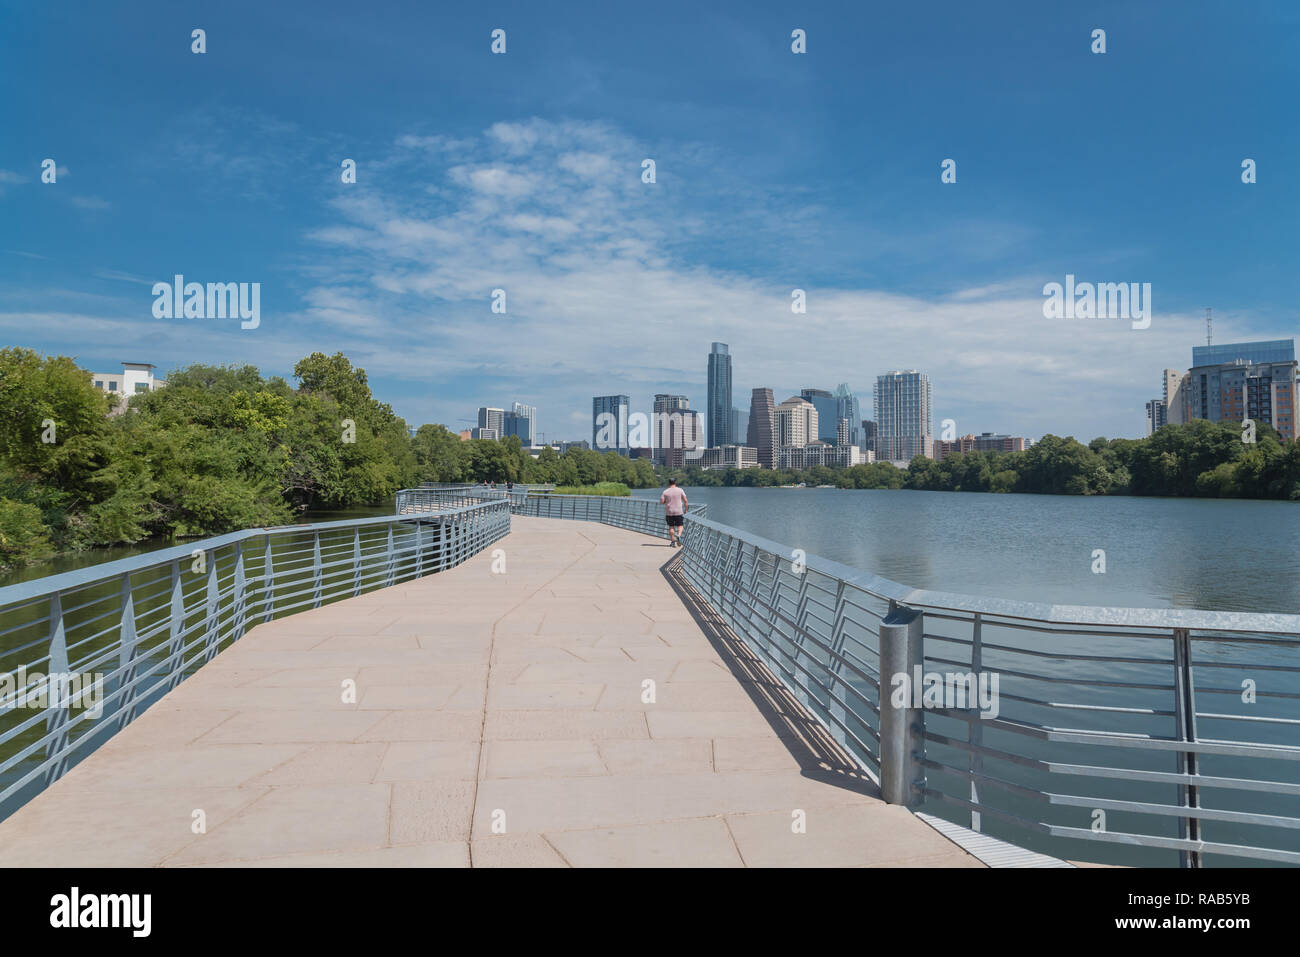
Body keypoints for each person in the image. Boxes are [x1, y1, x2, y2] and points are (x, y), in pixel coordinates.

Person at [659, 478, 688, 547]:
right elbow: (685, 501)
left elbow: (661, 501)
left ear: (669, 483)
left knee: (671, 527)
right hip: (679, 512)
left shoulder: (665, 491)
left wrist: (666, 502)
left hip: (669, 512)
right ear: (675, 482)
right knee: (680, 526)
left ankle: (672, 542)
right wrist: (686, 510)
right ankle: (678, 535)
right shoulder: (680, 490)